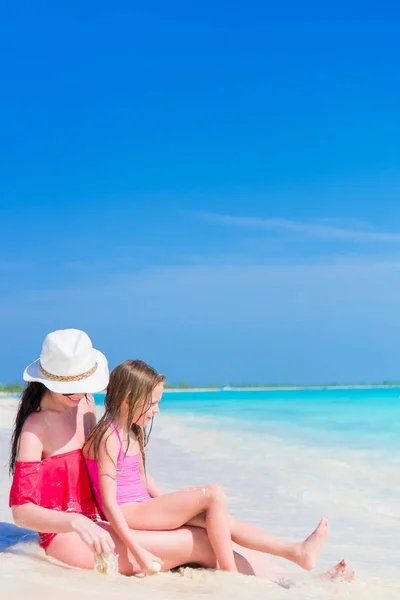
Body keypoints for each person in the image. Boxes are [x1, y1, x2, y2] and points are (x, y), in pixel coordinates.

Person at [8, 329, 350, 583]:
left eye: (82, 381)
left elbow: (102, 470)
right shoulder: (35, 428)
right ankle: (280, 584)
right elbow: (21, 511)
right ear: (47, 380)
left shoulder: (84, 405)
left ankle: (296, 570)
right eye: (68, 384)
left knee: (211, 526)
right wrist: (76, 521)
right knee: (200, 543)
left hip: (102, 522)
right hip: (68, 538)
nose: (78, 391)